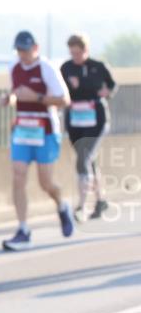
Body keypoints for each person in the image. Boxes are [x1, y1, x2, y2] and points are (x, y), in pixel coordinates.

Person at [1, 30, 73, 250]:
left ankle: (62, 205)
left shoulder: (47, 68)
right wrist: (9, 98)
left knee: (45, 183)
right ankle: (23, 229)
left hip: (46, 130)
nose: (22, 54)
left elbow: (65, 100)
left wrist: (37, 97)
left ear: (35, 48)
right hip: (23, 129)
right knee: (18, 176)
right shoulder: (13, 68)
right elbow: (16, 92)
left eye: (25, 50)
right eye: (19, 50)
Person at [60, 33, 117, 221]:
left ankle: (81, 207)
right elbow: (60, 90)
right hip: (75, 120)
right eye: (72, 53)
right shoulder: (66, 68)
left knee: (83, 159)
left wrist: (107, 92)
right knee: (88, 160)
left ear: (86, 50)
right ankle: (101, 200)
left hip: (96, 119)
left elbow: (112, 85)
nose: (75, 57)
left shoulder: (98, 66)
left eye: (78, 53)